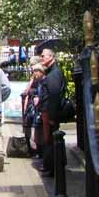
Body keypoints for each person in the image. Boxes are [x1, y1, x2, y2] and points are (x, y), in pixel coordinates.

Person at [39, 48, 64, 176]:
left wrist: (52, 116)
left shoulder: (53, 74)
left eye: (43, 56)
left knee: (51, 140)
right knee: (50, 140)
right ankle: (51, 166)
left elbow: (54, 96)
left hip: (50, 113)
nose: (41, 57)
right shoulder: (51, 72)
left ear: (51, 57)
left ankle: (53, 168)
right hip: (48, 112)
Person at [22, 63, 45, 156]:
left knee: (38, 129)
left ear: (41, 71)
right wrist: (31, 81)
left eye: (36, 71)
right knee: (27, 127)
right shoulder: (33, 81)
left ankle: (40, 151)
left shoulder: (43, 81)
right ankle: (29, 148)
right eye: (33, 71)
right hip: (30, 107)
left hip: (38, 108)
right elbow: (26, 93)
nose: (34, 73)